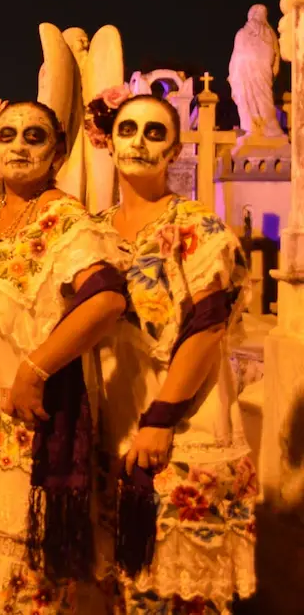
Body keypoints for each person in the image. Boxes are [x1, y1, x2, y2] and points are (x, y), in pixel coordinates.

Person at [0, 100, 125, 613]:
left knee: (19, 576)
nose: (19, 144)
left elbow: (106, 299)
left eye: (34, 136)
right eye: (8, 135)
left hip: (22, 427)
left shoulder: (65, 219)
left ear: (57, 152)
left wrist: (34, 368)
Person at [85, 90, 256, 613]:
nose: (139, 141)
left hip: (183, 431)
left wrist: (160, 420)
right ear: (108, 142)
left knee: (179, 595)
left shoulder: (198, 227)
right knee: (125, 591)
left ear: (176, 150)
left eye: (155, 132)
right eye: (128, 129)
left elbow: (208, 325)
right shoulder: (92, 230)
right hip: (115, 429)